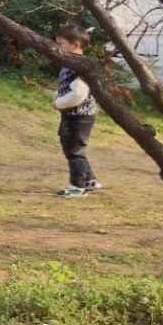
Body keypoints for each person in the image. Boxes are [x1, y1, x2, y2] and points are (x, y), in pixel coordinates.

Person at [53, 24, 102, 198]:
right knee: (75, 149)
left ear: (76, 45)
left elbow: (79, 93)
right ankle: (89, 180)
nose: (58, 48)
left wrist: (59, 103)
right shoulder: (70, 63)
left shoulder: (78, 65)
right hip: (73, 114)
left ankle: (77, 186)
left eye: (61, 43)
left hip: (80, 115)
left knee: (74, 151)